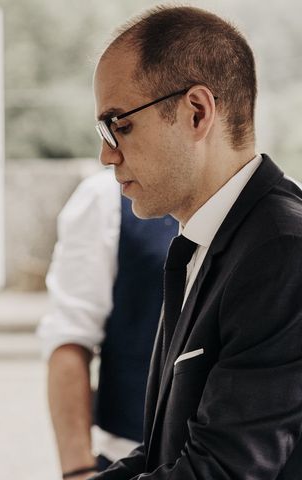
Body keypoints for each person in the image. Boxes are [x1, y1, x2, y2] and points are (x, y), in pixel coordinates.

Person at [89, 5, 302, 479]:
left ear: (196, 113)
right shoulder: (207, 241)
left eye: (117, 124)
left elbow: (220, 471)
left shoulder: (283, 251)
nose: (106, 154)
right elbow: (165, 453)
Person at [38, 168, 177, 479]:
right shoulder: (105, 200)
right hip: (128, 456)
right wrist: (78, 471)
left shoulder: (272, 206)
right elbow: (69, 341)